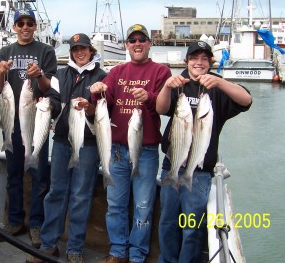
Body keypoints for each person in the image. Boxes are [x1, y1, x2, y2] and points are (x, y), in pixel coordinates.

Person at [156, 40, 252, 263]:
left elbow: (247, 100)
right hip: (171, 165)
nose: (199, 63)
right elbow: (160, 109)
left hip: (199, 172)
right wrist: (166, 87)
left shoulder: (217, 89)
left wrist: (220, 82)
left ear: (210, 62)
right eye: (194, 58)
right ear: (186, 61)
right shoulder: (178, 83)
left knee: (192, 227)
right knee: (167, 222)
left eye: (204, 59)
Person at [90, 24, 172, 263]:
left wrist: (149, 98)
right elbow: (106, 100)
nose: (137, 44)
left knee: (143, 206)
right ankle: (118, 251)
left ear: (149, 44)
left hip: (145, 151)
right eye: (132, 40)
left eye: (142, 40)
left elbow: (163, 108)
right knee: (115, 205)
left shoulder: (161, 72)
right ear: (127, 45)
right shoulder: (117, 72)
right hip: (115, 151)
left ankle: (137, 255)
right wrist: (97, 90)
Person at [26, 33, 107, 263]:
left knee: (81, 196)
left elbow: (102, 111)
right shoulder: (60, 74)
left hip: (88, 145)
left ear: (91, 50)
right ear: (71, 52)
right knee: (56, 193)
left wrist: (89, 107)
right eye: (75, 49)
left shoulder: (102, 77)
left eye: (83, 48)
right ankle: (49, 245)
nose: (80, 53)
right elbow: (52, 98)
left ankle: (75, 249)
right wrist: (46, 106)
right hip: (61, 142)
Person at [0, 9, 57, 247]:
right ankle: (15, 220)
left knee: (39, 176)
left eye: (29, 23)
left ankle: (37, 225)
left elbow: (50, 87)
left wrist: (39, 74)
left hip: (36, 120)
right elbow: (0, 89)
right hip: (12, 121)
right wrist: (0, 74)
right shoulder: (5, 51)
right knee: (13, 174)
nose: (25, 27)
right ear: (14, 27)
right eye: (20, 23)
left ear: (35, 26)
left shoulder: (46, 51)